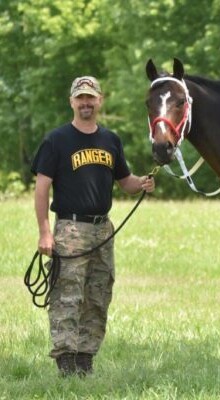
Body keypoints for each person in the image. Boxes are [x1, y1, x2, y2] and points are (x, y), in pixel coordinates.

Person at [31, 76, 155, 377]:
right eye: (80, 98)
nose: (86, 103)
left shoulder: (110, 140)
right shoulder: (56, 140)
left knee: (98, 295)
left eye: (91, 97)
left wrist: (142, 183)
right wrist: (45, 231)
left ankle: (86, 358)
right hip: (70, 229)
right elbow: (41, 189)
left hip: (103, 230)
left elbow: (125, 183)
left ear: (100, 100)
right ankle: (65, 361)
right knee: (67, 296)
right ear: (72, 101)